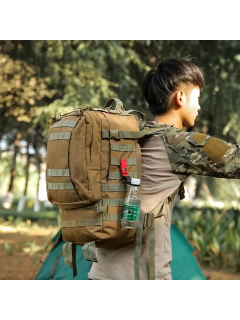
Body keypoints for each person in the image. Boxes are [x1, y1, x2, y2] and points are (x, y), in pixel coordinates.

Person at [88, 57, 240, 280]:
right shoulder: (177, 143)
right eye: (196, 98)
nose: (199, 106)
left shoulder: (129, 138)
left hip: (99, 274)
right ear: (180, 97)